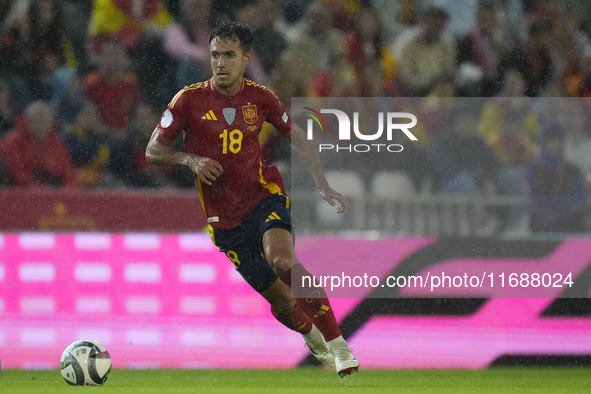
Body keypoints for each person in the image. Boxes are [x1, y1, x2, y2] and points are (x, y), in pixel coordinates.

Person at [145, 22, 359, 377]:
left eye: (229, 55)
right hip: (225, 223)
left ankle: (339, 345)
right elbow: (153, 148)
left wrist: (322, 183)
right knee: (283, 301)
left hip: (264, 196)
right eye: (215, 55)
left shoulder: (261, 98)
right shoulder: (189, 100)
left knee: (281, 259)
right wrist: (190, 160)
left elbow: (298, 138)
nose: (220, 63)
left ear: (247, 58)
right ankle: (312, 337)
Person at [0, 100, 76, 187]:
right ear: (26, 120)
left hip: (54, 188)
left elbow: (68, 173)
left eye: (43, 119)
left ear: (50, 122)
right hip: (23, 192)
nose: (39, 124)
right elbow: (16, 174)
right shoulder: (12, 142)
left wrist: (65, 191)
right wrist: (42, 190)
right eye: (35, 120)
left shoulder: (57, 143)